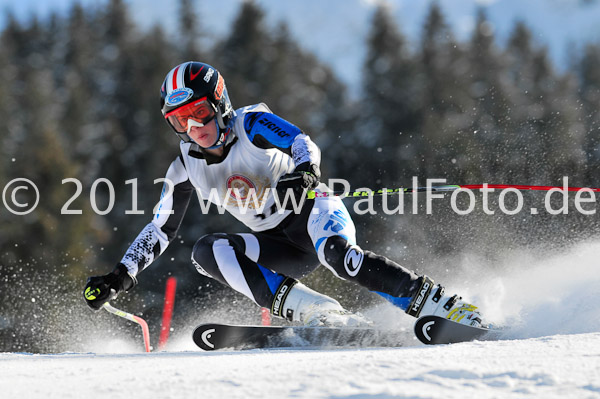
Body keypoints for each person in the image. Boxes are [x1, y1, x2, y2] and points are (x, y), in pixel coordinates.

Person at [83, 61, 485, 328]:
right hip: (278, 245)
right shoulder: (184, 167)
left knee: (339, 257)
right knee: (206, 252)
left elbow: (301, 142)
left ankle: (435, 302)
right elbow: (159, 230)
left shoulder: (251, 124)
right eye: (180, 120)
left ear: (219, 105)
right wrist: (120, 276)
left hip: (314, 212)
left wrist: (306, 172)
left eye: (200, 113)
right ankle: (318, 314)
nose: (194, 128)